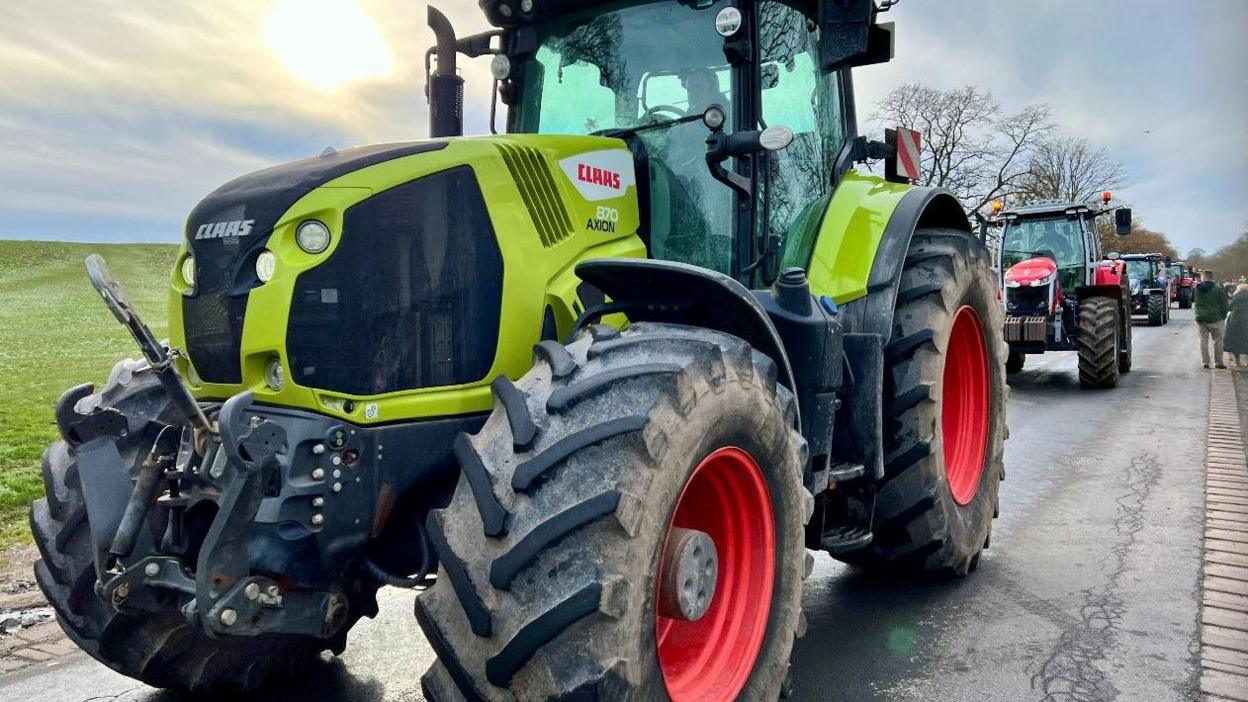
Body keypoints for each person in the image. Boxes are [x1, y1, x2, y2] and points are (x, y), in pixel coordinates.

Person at [1194, 270, 1231, 369]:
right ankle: (1218, 362)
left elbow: (1194, 301)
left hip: (1201, 318)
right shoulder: (1219, 289)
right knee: (1218, 340)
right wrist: (1223, 317)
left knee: (1203, 340)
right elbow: (1224, 305)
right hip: (1216, 318)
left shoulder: (1197, 288)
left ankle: (1205, 362)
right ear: (1212, 277)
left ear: (1203, 277)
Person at [1225, 283, 1248, 368]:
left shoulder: (1236, 296)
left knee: (1235, 341)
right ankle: (1247, 361)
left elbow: (1229, 307)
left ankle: (1237, 362)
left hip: (1235, 321)